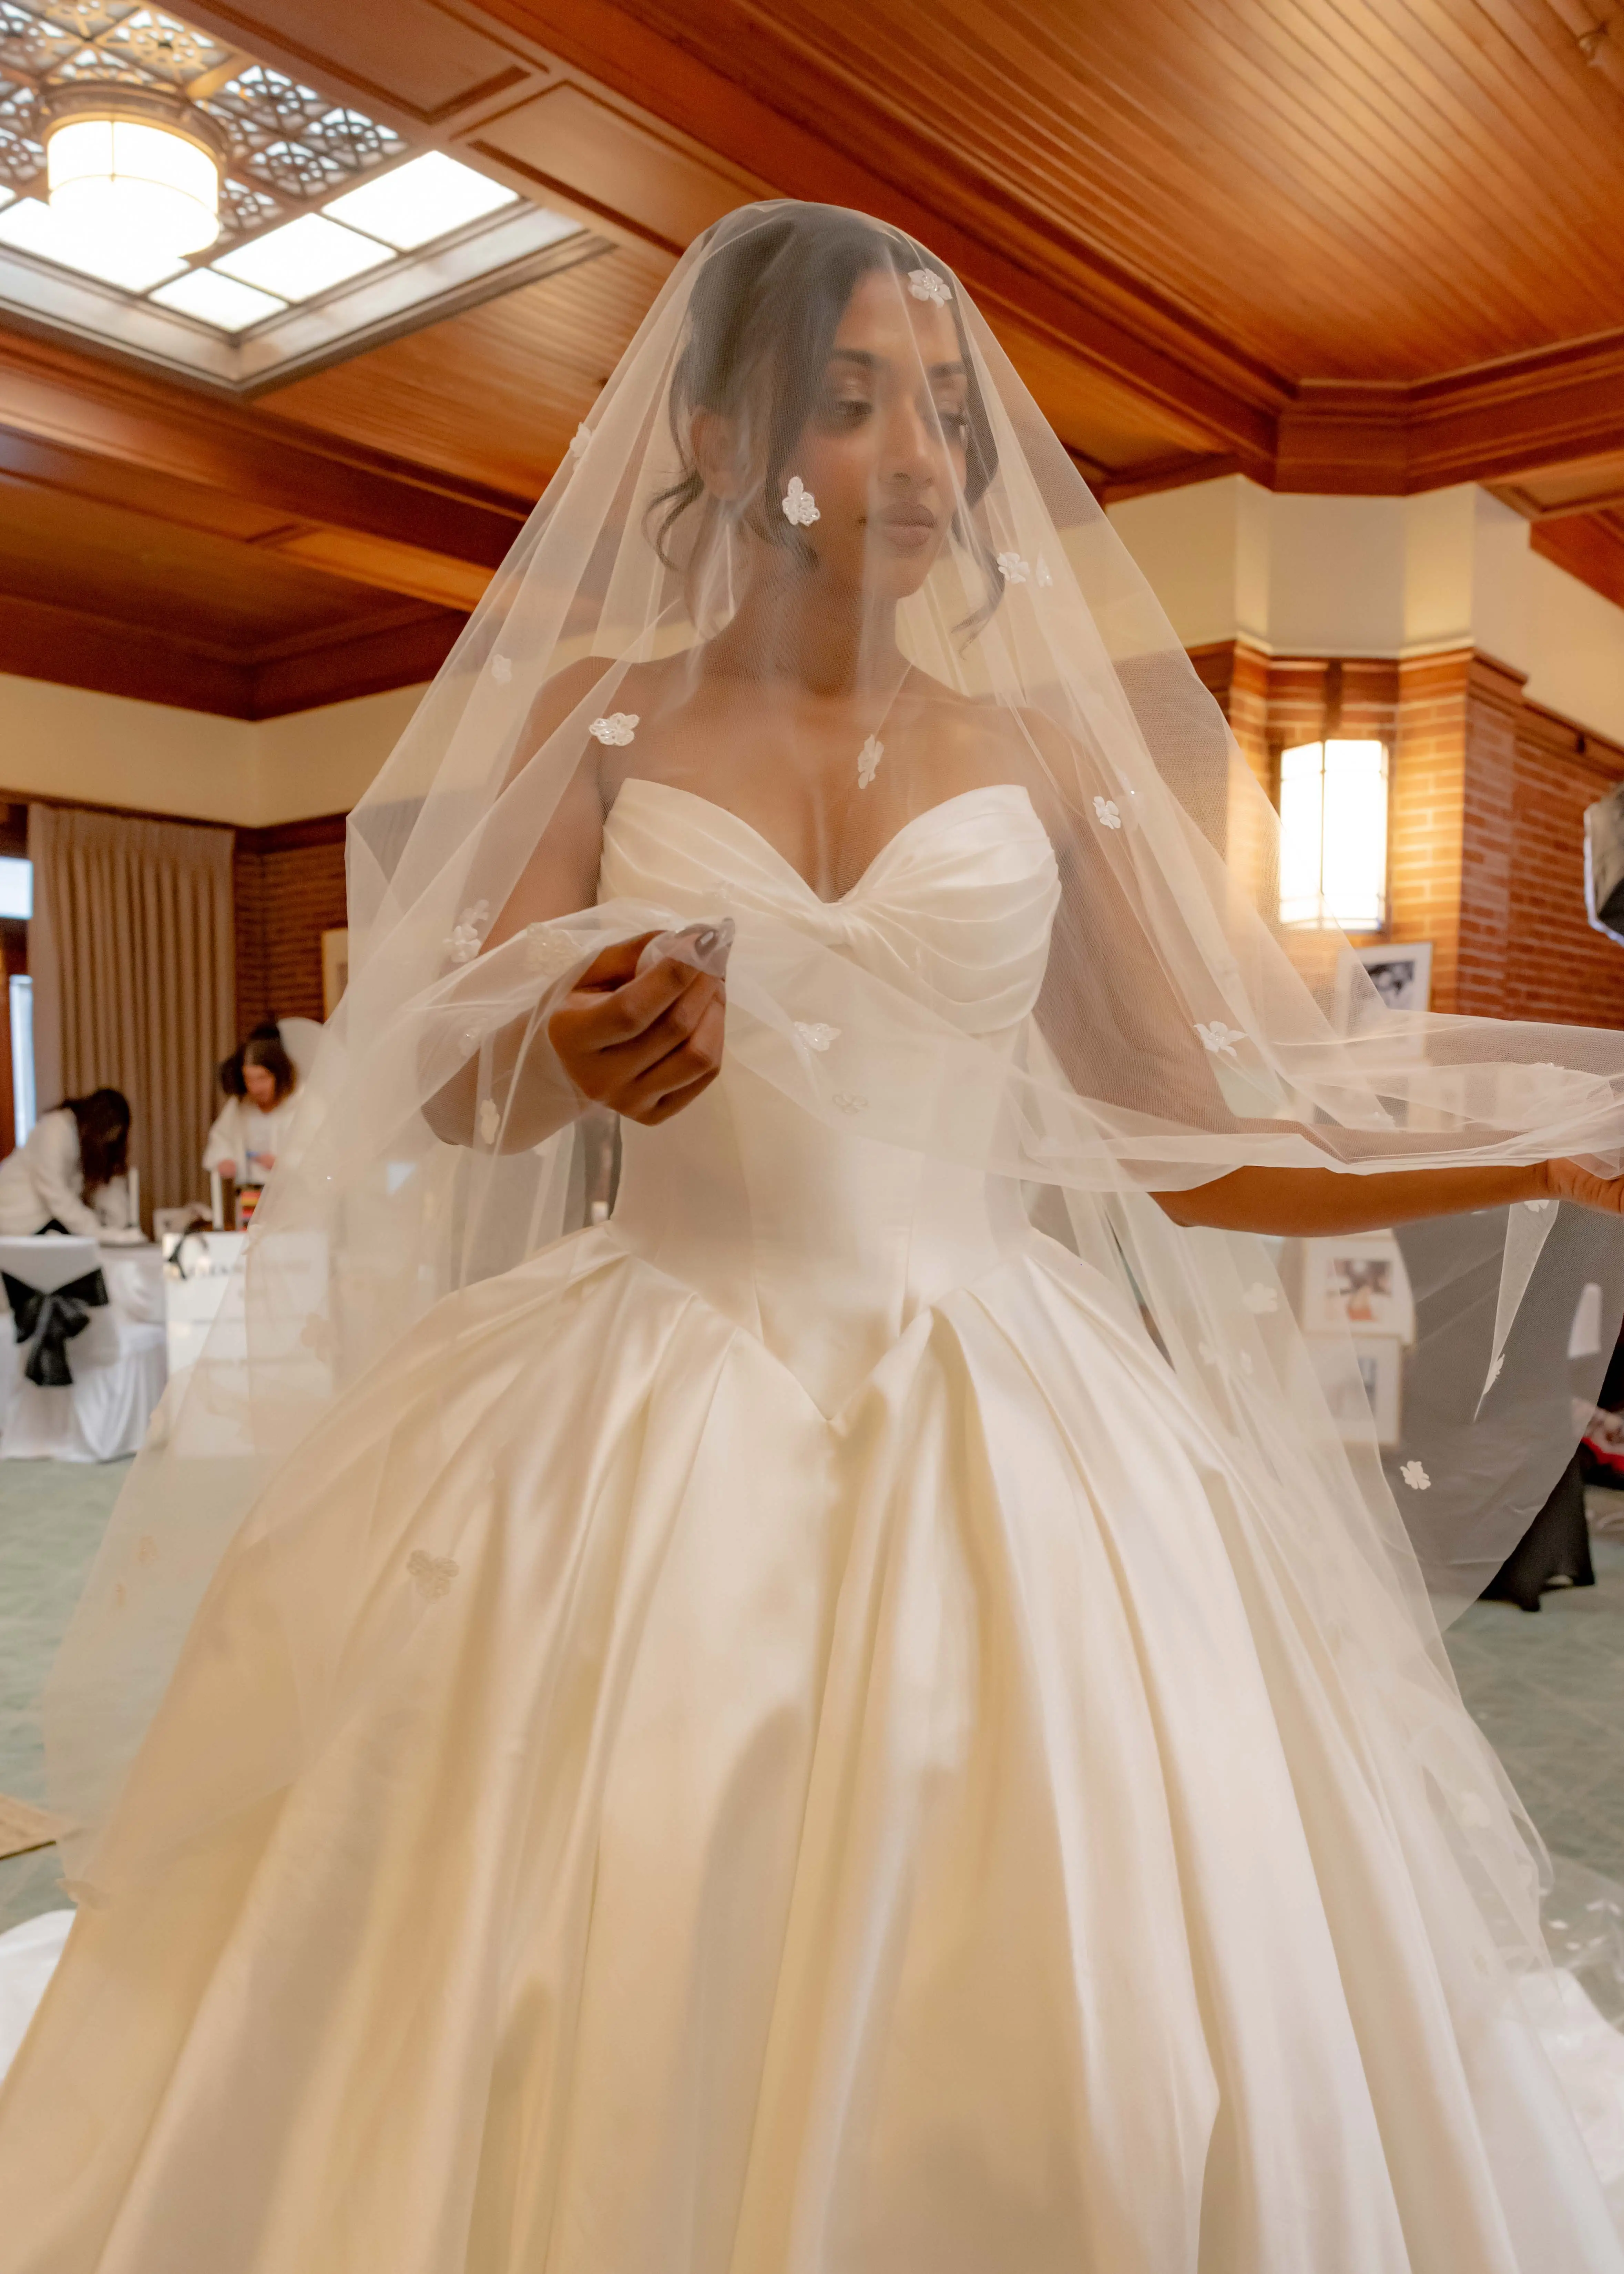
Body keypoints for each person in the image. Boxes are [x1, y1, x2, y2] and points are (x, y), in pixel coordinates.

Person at [6, 201, 1624, 2269]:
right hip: (651, 1378)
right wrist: (572, 1055)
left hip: (1009, 1410)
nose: (929, 462)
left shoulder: (1039, 749)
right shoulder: (593, 712)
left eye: (945, 411)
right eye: (858, 405)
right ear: (714, 433)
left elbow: (1204, 1140)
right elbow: (457, 1078)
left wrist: (1539, 1155)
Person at [0, 1088, 140, 1242]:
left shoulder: (91, 1149)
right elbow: (55, 1193)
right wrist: (98, 1232)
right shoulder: (56, 1130)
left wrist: (117, 1229)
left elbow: (110, 1198)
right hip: (16, 1220)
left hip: (45, 1223)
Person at [202, 1024, 300, 1217]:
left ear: (279, 1075)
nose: (256, 1088)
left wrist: (285, 1164)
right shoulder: (240, 1106)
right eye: (249, 1079)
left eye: (263, 1078)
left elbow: (321, 1156)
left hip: (294, 1199)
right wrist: (225, 1159)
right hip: (251, 1194)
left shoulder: (303, 1104)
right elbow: (221, 1139)